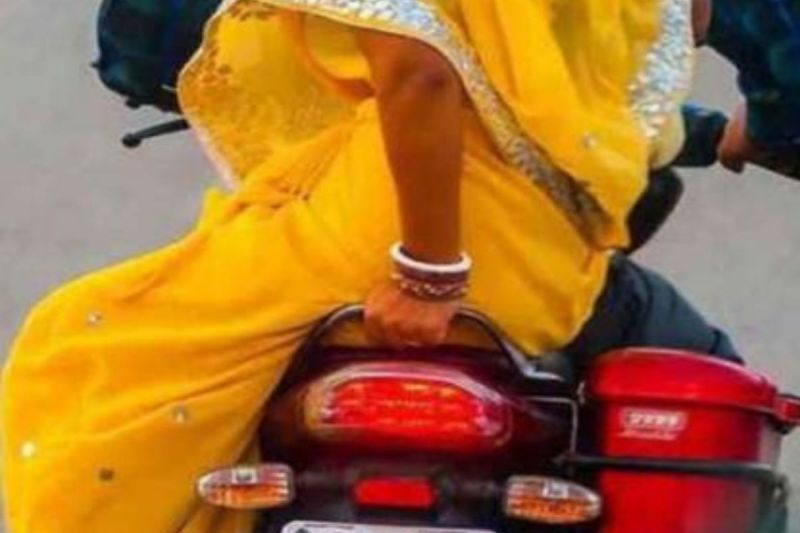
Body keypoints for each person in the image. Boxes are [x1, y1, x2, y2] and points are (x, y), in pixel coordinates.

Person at [0, 1, 738, 531]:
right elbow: (621, 54)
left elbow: (421, 75)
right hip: (541, 259)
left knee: (85, 338)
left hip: (407, 236)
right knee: (698, 369)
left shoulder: (422, 256)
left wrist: (429, 272)